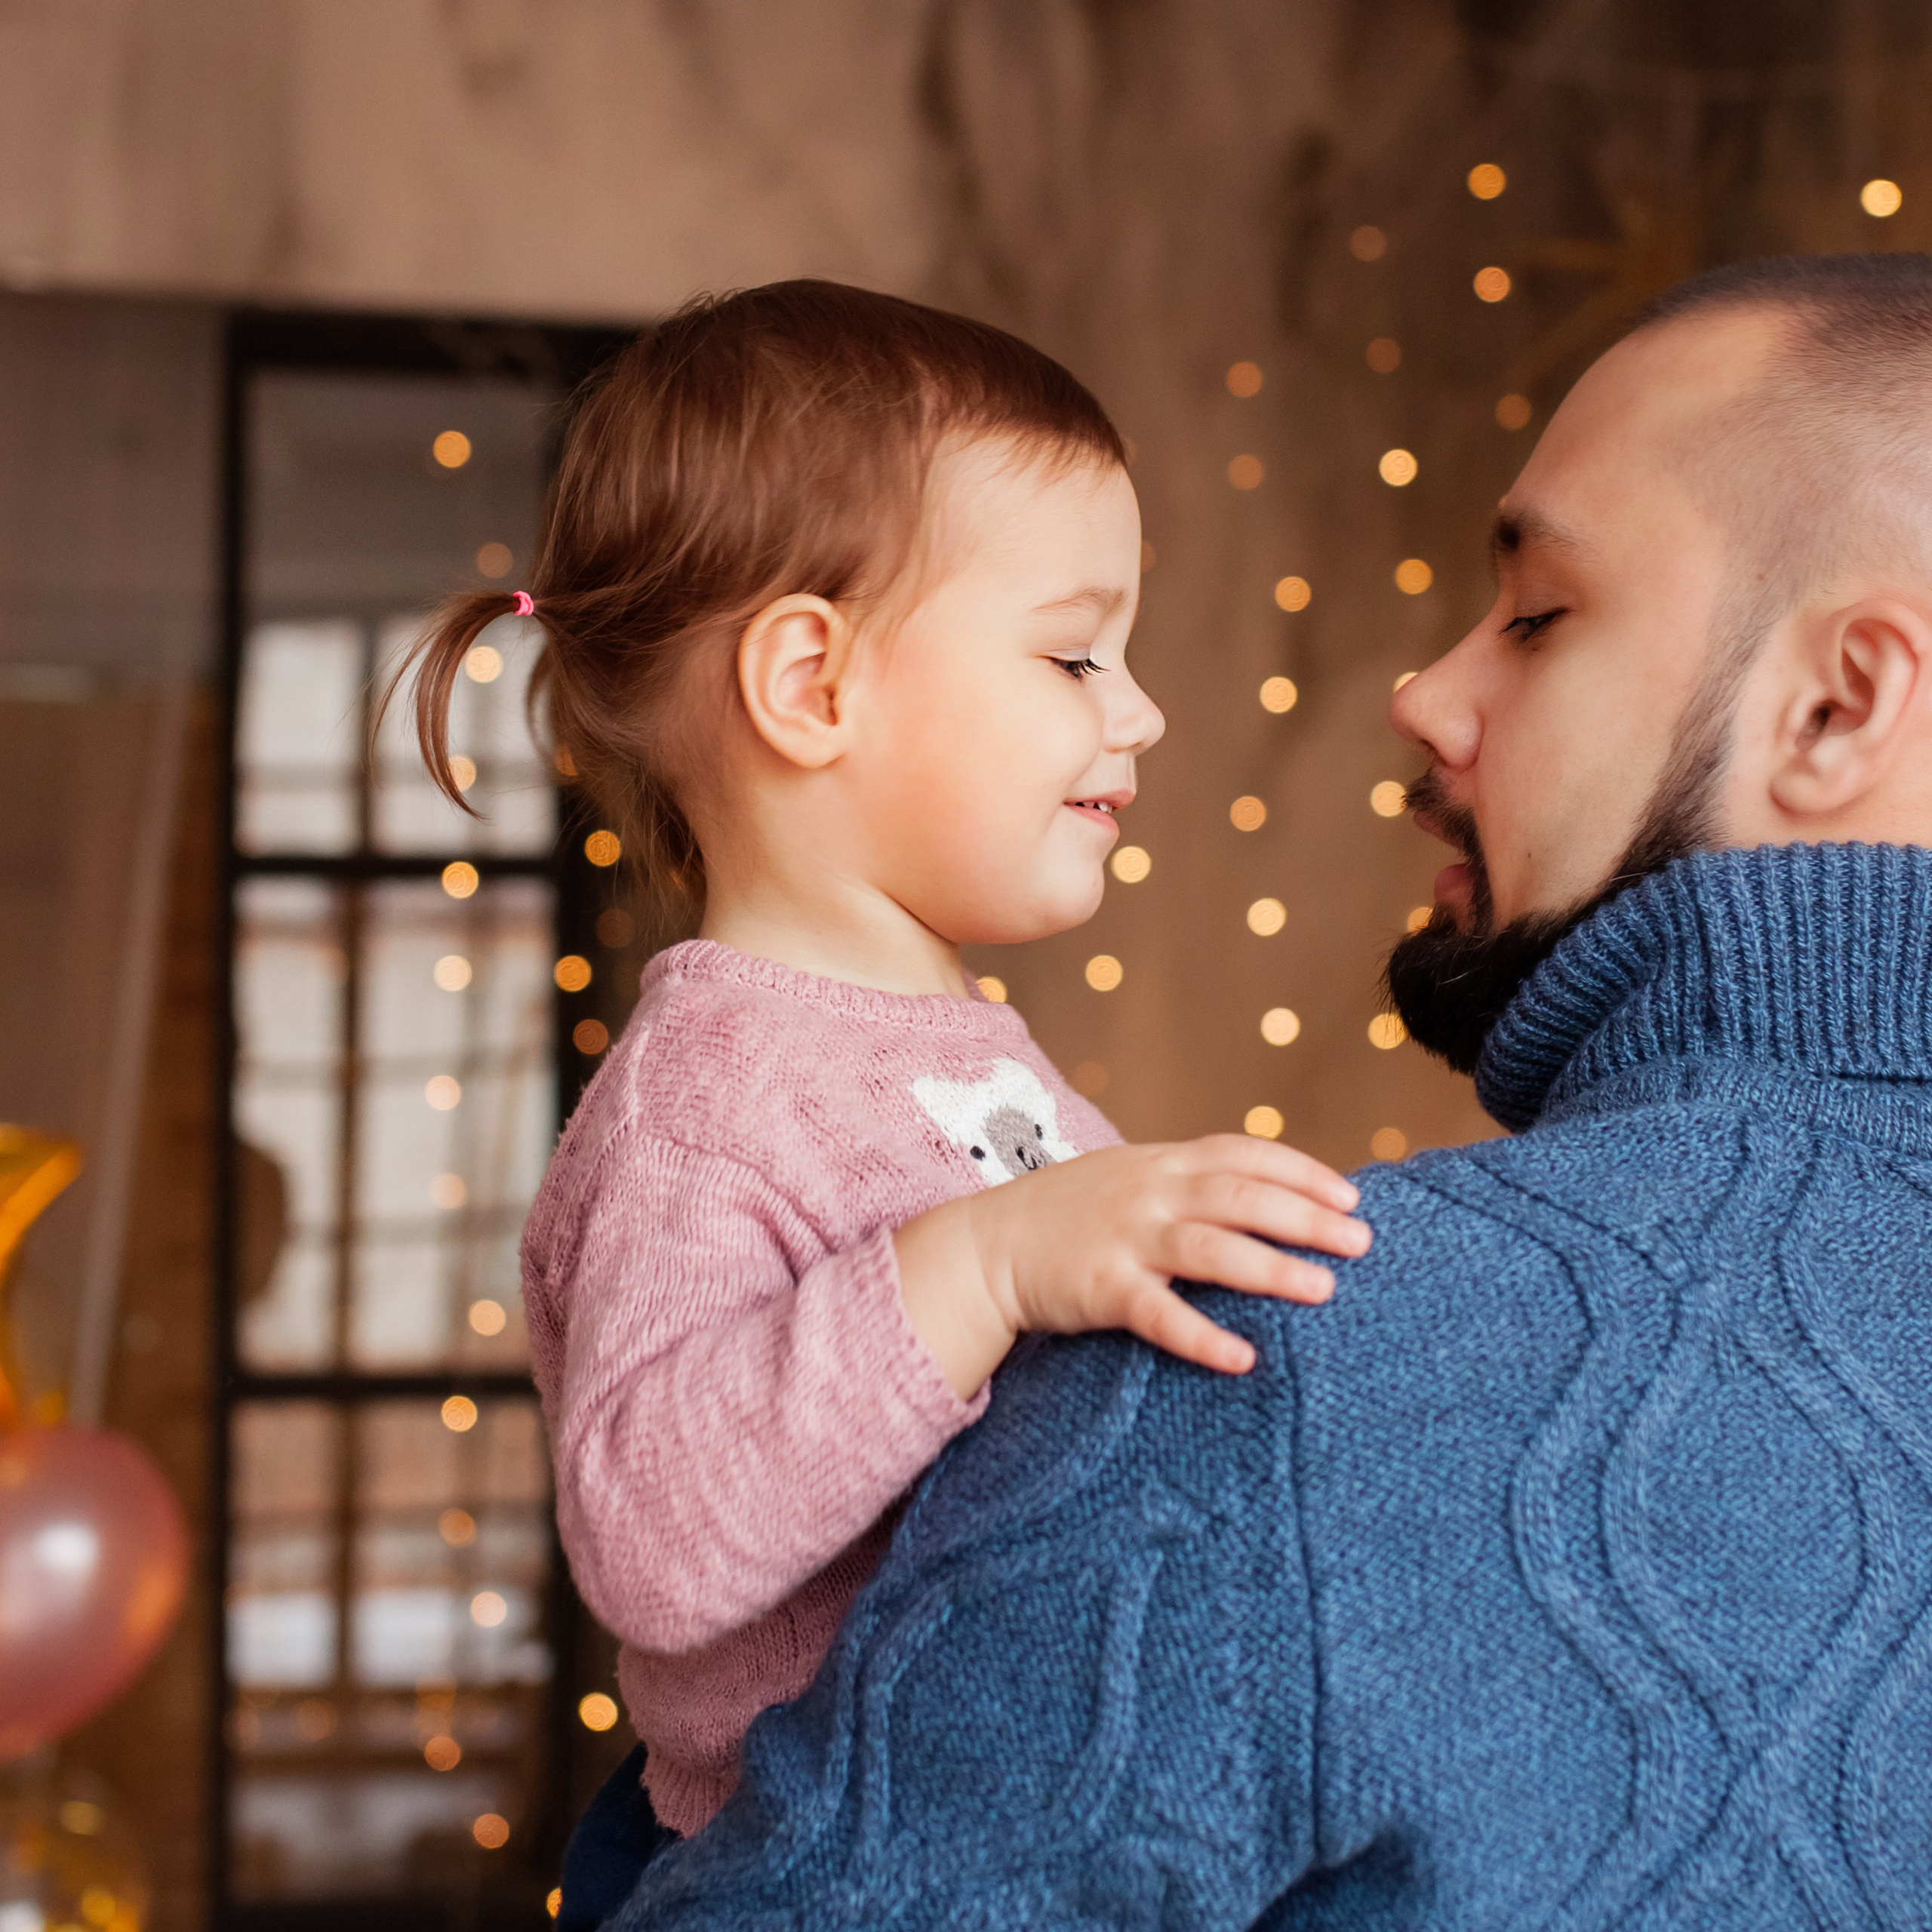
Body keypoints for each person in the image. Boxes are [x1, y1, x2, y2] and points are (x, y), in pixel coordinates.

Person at [616, 252, 1932, 1928]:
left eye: (1536, 613)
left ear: (1834, 702)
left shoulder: (1271, 1347)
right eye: (1072, 657)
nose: (1422, 693)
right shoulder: (745, 1087)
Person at [400, 282, 1370, 1895]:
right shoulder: (705, 1097)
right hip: (799, 1867)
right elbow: (648, 1531)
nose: (1135, 710)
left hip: (987, 1830)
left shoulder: (957, 1042)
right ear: (813, 685)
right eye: (1073, 651)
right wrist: (982, 1262)